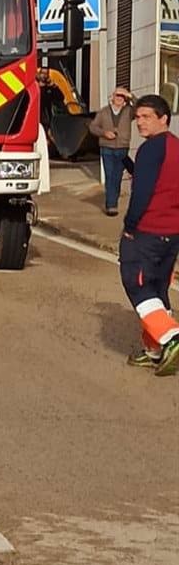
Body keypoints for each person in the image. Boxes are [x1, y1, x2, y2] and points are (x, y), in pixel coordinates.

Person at [119, 93, 179, 375]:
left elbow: (142, 193)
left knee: (136, 283)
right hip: (171, 233)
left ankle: (171, 338)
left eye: (146, 117)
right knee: (157, 289)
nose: (139, 122)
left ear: (163, 119)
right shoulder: (175, 147)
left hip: (147, 231)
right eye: (137, 117)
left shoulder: (151, 148)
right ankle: (154, 350)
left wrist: (130, 226)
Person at [89, 85, 135, 215]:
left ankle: (113, 200)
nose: (120, 98)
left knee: (117, 176)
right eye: (117, 95)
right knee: (110, 176)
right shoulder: (103, 112)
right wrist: (104, 133)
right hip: (107, 148)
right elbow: (93, 127)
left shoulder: (129, 111)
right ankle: (111, 205)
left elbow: (140, 108)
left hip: (122, 148)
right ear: (112, 98)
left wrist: (130, 95)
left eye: (122, 96)